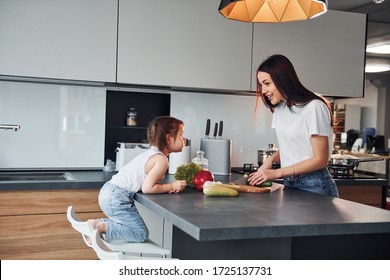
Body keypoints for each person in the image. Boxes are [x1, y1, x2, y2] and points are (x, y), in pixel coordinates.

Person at [248, 54, 339, 197]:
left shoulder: (314, 107)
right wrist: (270, 161)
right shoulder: (280, 109)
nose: (263, 90)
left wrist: (277, 173)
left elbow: (320, 160)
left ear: (282, 80)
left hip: (315, 185)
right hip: (290, 183)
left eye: (267, 83)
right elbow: (291, 146)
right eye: (261, 85)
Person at [89, 116, 187, 243]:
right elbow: (148, 188)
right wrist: (173, 186)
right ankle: (99, 226)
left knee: (132, 228)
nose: (184, 139)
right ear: (168, 138)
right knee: (140, 233)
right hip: (117, 197)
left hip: (109, 192)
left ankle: (98, 225)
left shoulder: (151, 153)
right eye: (181, 135)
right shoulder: (161, 160)